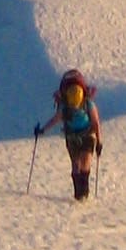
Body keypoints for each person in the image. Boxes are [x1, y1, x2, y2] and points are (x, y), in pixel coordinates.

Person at [52, 69, 102, 199]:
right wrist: (99, 141)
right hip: (80, 135)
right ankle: (81, 193)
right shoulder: (85, 104)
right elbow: (96, 123)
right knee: (78, 164)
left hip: (80, 135)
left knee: (81, 163)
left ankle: (82, 192)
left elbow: (95, 122)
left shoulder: (84, 105)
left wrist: (42, 130)